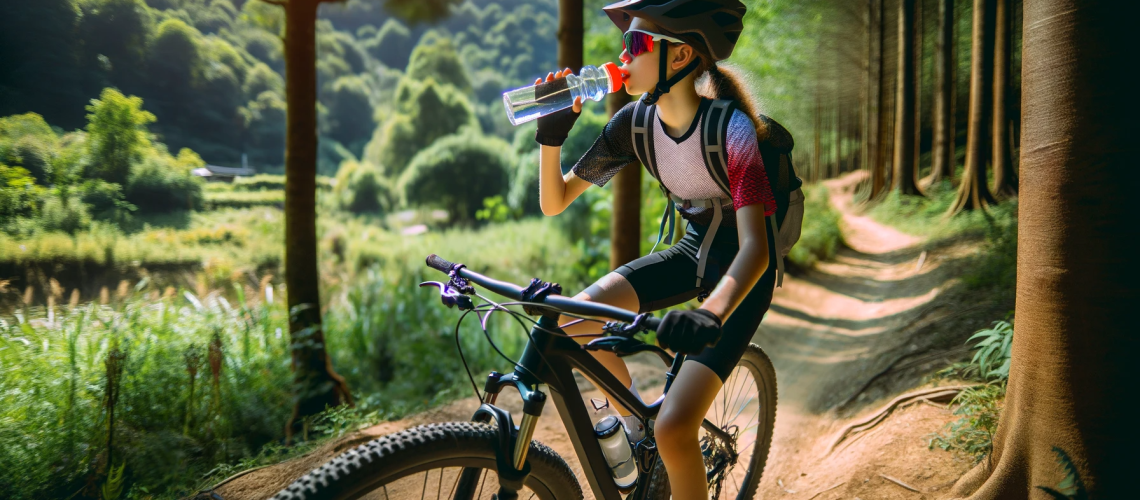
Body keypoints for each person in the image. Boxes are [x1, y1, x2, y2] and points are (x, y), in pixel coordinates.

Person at [532, 0, 778, 497]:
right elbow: (555, 201)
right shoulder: (633, 125)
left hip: (743, 277)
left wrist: (711, 313)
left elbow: (757, 249)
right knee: (574, 322)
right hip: (691, 254)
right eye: (625, 44)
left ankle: (661, 436)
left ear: (682, 56)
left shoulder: (732, 130)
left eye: (636, 44)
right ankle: (638, 432)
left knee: (676, 429)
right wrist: (549, 137)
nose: (623, 57)